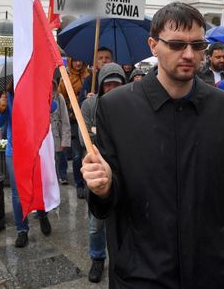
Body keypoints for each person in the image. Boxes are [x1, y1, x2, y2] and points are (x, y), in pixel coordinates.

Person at [82, 2, 224, 288]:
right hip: (142, 276)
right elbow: (108, 204)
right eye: (176, 44)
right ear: (153, 45)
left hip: (211, 275)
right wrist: (103, 188)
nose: (189, 54)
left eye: (197, 45)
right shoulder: (115, 108)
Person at [79, 62, 127, 283]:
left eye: (116, 85)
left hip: (125, 170)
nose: (112, 89)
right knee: (96, 224)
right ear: (101, 87)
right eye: (107, 85)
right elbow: (85, 139)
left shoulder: (130, 105)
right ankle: (97, 258)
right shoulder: (90, 105)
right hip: (98, 170)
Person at [0, 81, 52, 248]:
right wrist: (1, 107)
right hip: (15, 150)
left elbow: (52, 107)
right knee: (18, 192)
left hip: (37, 148)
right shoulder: (8, 96)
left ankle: (42, 214)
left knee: (38, 185)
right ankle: (22, 230)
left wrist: (45, 92)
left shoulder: (35, 89)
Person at [58, 58, 90, 198]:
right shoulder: (66, 77)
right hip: (73, 121)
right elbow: (61, 97)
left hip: (87, 120)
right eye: (75, 61)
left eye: (80, 61)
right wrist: (69, 105)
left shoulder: (89, 76)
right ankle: (79, 184)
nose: (78, 63)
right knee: (77, 155)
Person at [50, 78, 71, 185]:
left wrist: (65, 140)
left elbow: (65, 119)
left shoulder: (59, 97)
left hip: (58, 135)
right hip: (46, 137)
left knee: (60, 158)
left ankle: (62, 175)